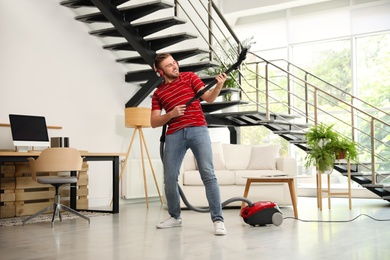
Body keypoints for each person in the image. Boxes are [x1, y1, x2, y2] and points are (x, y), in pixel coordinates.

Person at [150, 53, 227, 236]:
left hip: (198, 129)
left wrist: (219, 85)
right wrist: (171, 115)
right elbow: (154, 122)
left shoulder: (190, 77)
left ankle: (218, 220)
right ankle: (175, 217)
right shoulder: (158, 93)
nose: (175, 66)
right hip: (174, 134)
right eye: (169, 66)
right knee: (169, 178)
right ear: (160, 71)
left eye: (174, 62)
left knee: (208, 174)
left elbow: (208, 98)